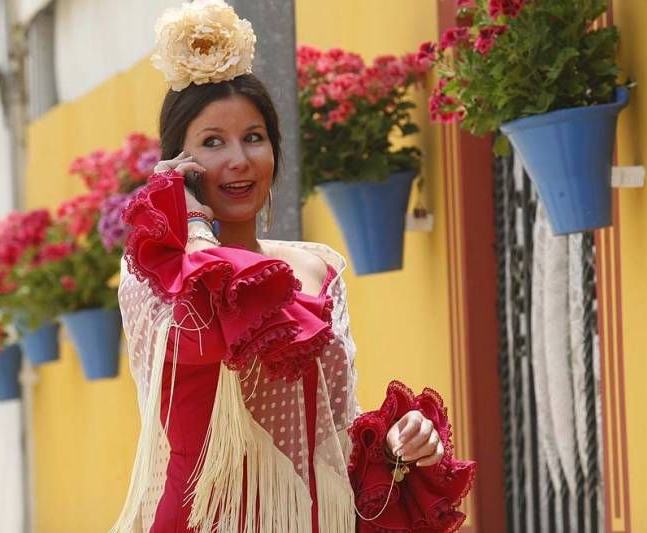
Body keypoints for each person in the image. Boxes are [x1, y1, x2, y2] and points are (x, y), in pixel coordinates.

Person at [111, 2, 448, 531]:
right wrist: (189, 219)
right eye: (212, 143)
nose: (239, 160)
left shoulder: (320, 268)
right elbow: (208, 334)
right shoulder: (154, 278)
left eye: (253, 137)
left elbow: (334, 430)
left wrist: (393, 443)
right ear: (177, 165)